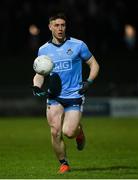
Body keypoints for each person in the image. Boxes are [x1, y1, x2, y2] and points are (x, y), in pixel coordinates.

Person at [32, 13, 100, 174]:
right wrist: (36, 86)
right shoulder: (43, 50)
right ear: (50, 27)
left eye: (63, 25)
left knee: (69, 132)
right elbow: (40, 73)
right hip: (54, 95)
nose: (60, 28)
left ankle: (78, 131)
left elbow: (94, 65)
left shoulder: (78, 45)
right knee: (55, 131)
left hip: (74, 95)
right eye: (56, 25)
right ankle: (64, 163)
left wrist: (88, 82)